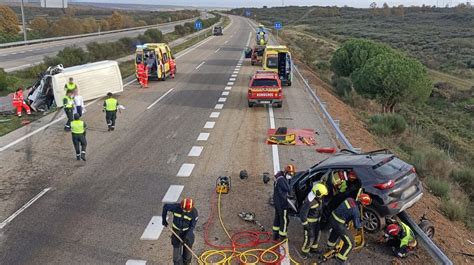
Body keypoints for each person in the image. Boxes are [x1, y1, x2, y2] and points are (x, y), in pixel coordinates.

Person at [327, 193, 372, 264]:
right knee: (350, 243)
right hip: (339, 224)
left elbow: (346, 210)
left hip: (332, 218)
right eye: (365, 204)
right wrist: (363, 222)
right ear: (363, 203)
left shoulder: (349, 199)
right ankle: (340, 261)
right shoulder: (356, 212)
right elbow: (357, 226)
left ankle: (329, 248)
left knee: (335, 232)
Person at [162, 198, 198, 265]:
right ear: (181, 206)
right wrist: (164, 219)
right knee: (176, 256)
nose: (185, 212)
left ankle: (187, 263)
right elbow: (165, 207)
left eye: (187, 211)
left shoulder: (194, 213)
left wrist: (187, 236)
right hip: (176, 232)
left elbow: (192, 226)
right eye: (183, 210)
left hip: (187, 232)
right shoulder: (175, 207)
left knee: (187, 253)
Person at [300, 182, 329, 259]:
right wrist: (305, 225)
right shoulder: (309, 201)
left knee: (317, 234)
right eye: (322, 195)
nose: (323, 196)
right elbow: (303, 214)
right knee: (310, 237)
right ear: (318, 193)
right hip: (310, 222)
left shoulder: (318, 197)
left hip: (317, 221)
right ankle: (305, 251)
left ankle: (313, 248)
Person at [272, 164, 296, 241]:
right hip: (283, 204)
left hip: (277, 202)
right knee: (285, 220)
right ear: (286, 172)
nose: (290, 176)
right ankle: (282, 236)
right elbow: (288, 189)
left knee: (278, 218)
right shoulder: (282, 180)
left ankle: (275, 235)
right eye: (289, 174)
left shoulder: (279, 177)